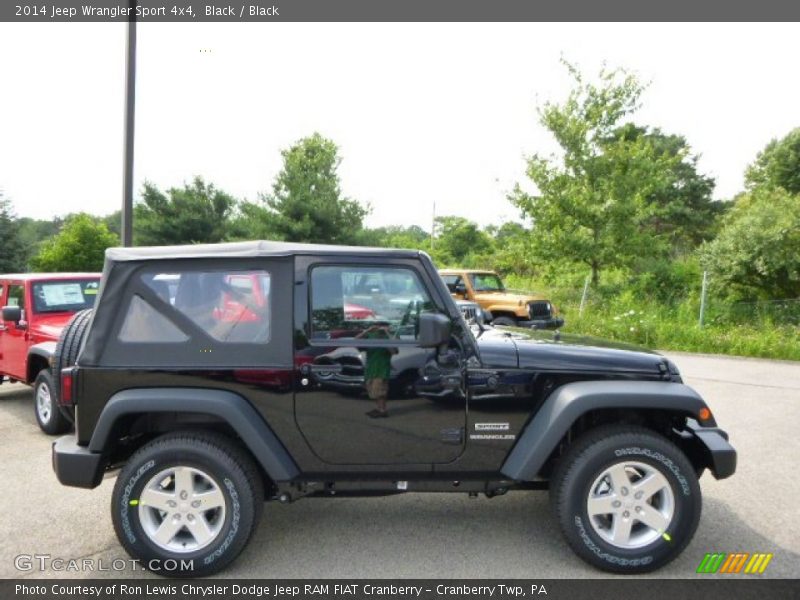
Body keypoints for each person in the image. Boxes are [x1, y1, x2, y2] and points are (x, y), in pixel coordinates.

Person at [356, 323, 397, 418]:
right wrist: (367, 330)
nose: (379, 328)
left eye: (382, 325)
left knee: (380, 391)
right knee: (372, 391)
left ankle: (383, 410)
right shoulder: (371, 336)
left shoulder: (390, 337)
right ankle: (379, 409)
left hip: (381, 369)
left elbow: (394, 351)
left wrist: (387, 332)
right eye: (377, 325)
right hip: (370, 369)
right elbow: (355, 340)